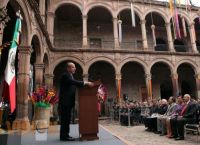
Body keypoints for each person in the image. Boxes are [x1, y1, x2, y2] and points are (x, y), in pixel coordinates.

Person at [58, 62, 94, 141]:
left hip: (67, 102)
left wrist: (84, 85)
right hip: (65, 102)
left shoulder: (70, 76)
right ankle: (64, 136)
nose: (75, 68)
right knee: (65, 120)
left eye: (74, 67)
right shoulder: (66, 75)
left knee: (67, 119)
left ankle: (65, 135)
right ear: (68, 68)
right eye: (73, 67)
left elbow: (74, 84)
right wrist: (86, 83)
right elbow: (73, 82)